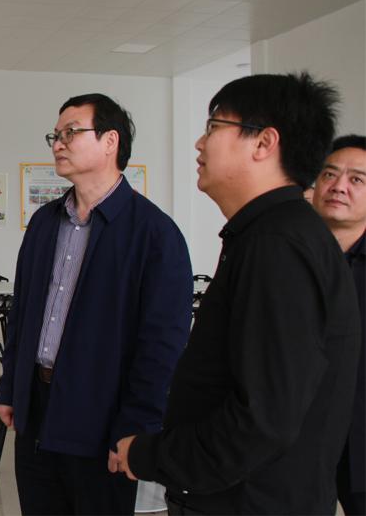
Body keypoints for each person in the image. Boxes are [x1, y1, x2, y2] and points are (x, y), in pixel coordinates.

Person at [115, 73, 361, 515]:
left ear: (264, 142)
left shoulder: (279, 245)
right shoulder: (269, 234)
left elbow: (263, 419)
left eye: (213, 127)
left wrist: (151, 456)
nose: (199, 143)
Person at [0, 93, 193, 515]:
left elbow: (162, 346)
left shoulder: (155, 233)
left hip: (102, 418)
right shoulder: (44, 222)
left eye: (71, 132)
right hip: (37, 409)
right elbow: (23, 313)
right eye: (55, 135)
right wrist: (11, 388)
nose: (58, 143)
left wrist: (137, 426)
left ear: (110, 141)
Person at [313, 134, 366, 516]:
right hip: (299, 442)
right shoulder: (288, 255)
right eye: (329, 174)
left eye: (357, 179)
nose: (339, 186)